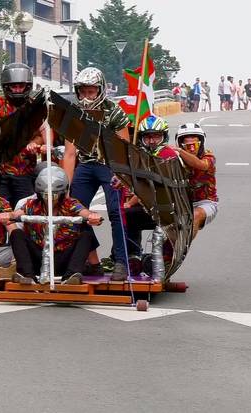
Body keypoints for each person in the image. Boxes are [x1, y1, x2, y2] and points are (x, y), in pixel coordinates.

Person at [62, 67, 131, 280]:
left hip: (110, 165)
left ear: (100, 90)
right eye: (82, 91)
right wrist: (66, 189)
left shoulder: (115, 111)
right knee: (73, 211)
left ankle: (121, 261)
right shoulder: (73, 113)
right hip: (85, 165)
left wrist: (121, 176)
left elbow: (124, 147)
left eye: (91, 92)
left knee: (115, 211)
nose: (86, 96)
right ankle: (91, 260)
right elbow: (70, 153)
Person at [0, 165, 103, 285]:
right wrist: (8, 216)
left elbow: (84, 212)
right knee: (16, 233)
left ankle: (71, 276)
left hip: (63, 259)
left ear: (63, 193)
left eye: (55, 195)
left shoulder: (71, 204)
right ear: (39, 193)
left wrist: (92, 216)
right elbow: (16, 214)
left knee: (86, 235)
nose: (50, 200)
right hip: (38, 258)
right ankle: (26, 275)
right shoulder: (32, 204)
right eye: (45, 195)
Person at [0, 63, 46, 207]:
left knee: (25, 212)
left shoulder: (34, 106)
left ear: (28, 86)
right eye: (14, 86)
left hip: (25, 172)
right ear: (6, 86)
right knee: (0, 212)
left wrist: (35, 143)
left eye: (21, 86)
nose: (18, 89)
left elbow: (42, 133)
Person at [123, 116, 177, 261]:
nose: (152, 141)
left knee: (127, 211)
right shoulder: (141, 155)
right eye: (147, 137)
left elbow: (149, 185)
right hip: (151, 207)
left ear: (164, 136)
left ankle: (162, 257)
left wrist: (131, 202)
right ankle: (132, 254)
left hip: (169, 210)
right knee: (126, 216)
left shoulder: (167, 155)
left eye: (156, 136)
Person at [171, 123, 218, 237]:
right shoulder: (174, 158)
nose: (192, 149)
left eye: (195, 145)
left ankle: (182, 249)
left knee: (195, 215)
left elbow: (201, 165)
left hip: (206, 203)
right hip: (181, 203)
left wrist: (181, 151)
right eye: (188, 146)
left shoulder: (209, 156)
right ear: (181, 144)